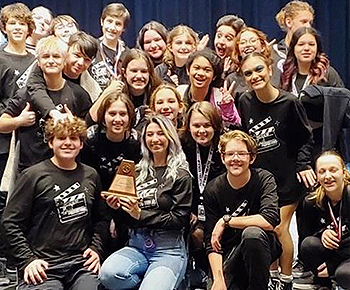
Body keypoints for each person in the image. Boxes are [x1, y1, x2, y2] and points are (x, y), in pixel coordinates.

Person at [237, 52, 316, 290]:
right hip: (261, 181)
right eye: (248, 73)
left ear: (270, 70)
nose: (254, 76)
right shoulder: (244, 101)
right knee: (265, 230)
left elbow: (306, 138)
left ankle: (286, 279)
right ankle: (270, 277)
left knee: (279, 227)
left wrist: (303, 165)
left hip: (288, 179)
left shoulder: (290, 102)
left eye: (259, 69)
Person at [2, 117, 109, 290]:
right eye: (61, 138)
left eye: (73, 138)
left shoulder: (91, 175)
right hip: (43, 265)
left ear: (81, 144)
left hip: (80, 265)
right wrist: (27, 260)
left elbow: (102, 219)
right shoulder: (33, 176)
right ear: (51, 143)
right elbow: (9, 223)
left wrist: (96, 248)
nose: (68, 143)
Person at [99, 114, 192, 290]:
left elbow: (179, 219)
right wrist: (116, 209)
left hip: (168, 249)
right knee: (108, 275)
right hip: (137, 245)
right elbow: (125, 220)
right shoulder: (137, 172)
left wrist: (141, 214)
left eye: (160, 133)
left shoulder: (181, 175)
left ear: (170, 137)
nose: (155, 139)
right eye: (149, 135)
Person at [0, 36, 92, 172]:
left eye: (56, 56)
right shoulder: (26, 93)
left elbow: (90, 130)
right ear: (38, 62)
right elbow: (2, 124)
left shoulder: (78, 94)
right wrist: (18, 121)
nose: (51, 61)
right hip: (29, 169)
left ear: (64, 59)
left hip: (66, 170)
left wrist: (75, 125)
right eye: (45, 57)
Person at [204, 130, 281, 290]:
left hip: (261, 246)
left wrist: (226, 221)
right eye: (230, 154)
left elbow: (270, 220)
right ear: (223, 157)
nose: (235, 159)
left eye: (241, 154)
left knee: (251, 233)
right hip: (230, 252)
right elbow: (211, 243)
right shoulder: (212, 189)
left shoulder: (264, 179)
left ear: (251, 157)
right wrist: (218, 279)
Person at [0, 3, 36, 285]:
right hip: (3, 146)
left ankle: (21, 261)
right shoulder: (0, 59)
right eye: (12, 23)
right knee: (4, 206)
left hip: (30, 147)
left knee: (25, 207)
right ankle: (5, 264)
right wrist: (15, 122)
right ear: (4, 27)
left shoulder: (37, 59)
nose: (17, 28)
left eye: (22, 23)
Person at [180, 101, 225, 288]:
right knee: (196, 233)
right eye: (196, 125)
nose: (202, 130)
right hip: (192, 209)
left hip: (221, 210)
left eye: (207, 125)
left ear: (215, 125)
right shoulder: (182, 145)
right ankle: (197, 271)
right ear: (188, 126)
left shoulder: (225, 146)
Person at [299, 151, 350, 290]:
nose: (328, 176)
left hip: (346, 255)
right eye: (322, 171)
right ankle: (325, 284)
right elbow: (305, 237)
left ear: (344, 172)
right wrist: (322, 234)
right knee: (308, 245)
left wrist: (332, 265)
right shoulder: (311, 202)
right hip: (335, 251)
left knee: (344, 275)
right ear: (316, 175)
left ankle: (334, 275)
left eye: (333, 170)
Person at [26, 31, 100, 123]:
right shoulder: (45, 68)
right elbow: (35, 89)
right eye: (77, 55)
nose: (80, 63)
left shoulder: (91, 86)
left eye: (87, 60)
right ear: (66, 52)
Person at [177, 49, 241, 127]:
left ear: (214, 76)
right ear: (188, 70)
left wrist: (227, 108)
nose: (200, 73)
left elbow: (235, 127)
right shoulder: (179, 92)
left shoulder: (220, 97)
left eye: (207, 70)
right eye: (196, 68)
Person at [280, 27, 344, 96]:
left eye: (311, 44)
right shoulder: (286, 75)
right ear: (293, 49)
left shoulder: (327, 74)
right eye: (301, 44)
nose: (306, 48)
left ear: (317, 48)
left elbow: (342, 102)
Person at [89, 3, 130, 90]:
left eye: (118, 24)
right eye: (109, 21)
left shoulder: (128, 54)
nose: (112, 28)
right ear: (102, 22)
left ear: (124, 28)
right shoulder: (91, 47)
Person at [273, 0, 314, 72]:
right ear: (288, 22)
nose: (308, 26)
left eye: (310, 23)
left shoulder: (313, 53)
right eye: (304, 22)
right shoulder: (273, 54)